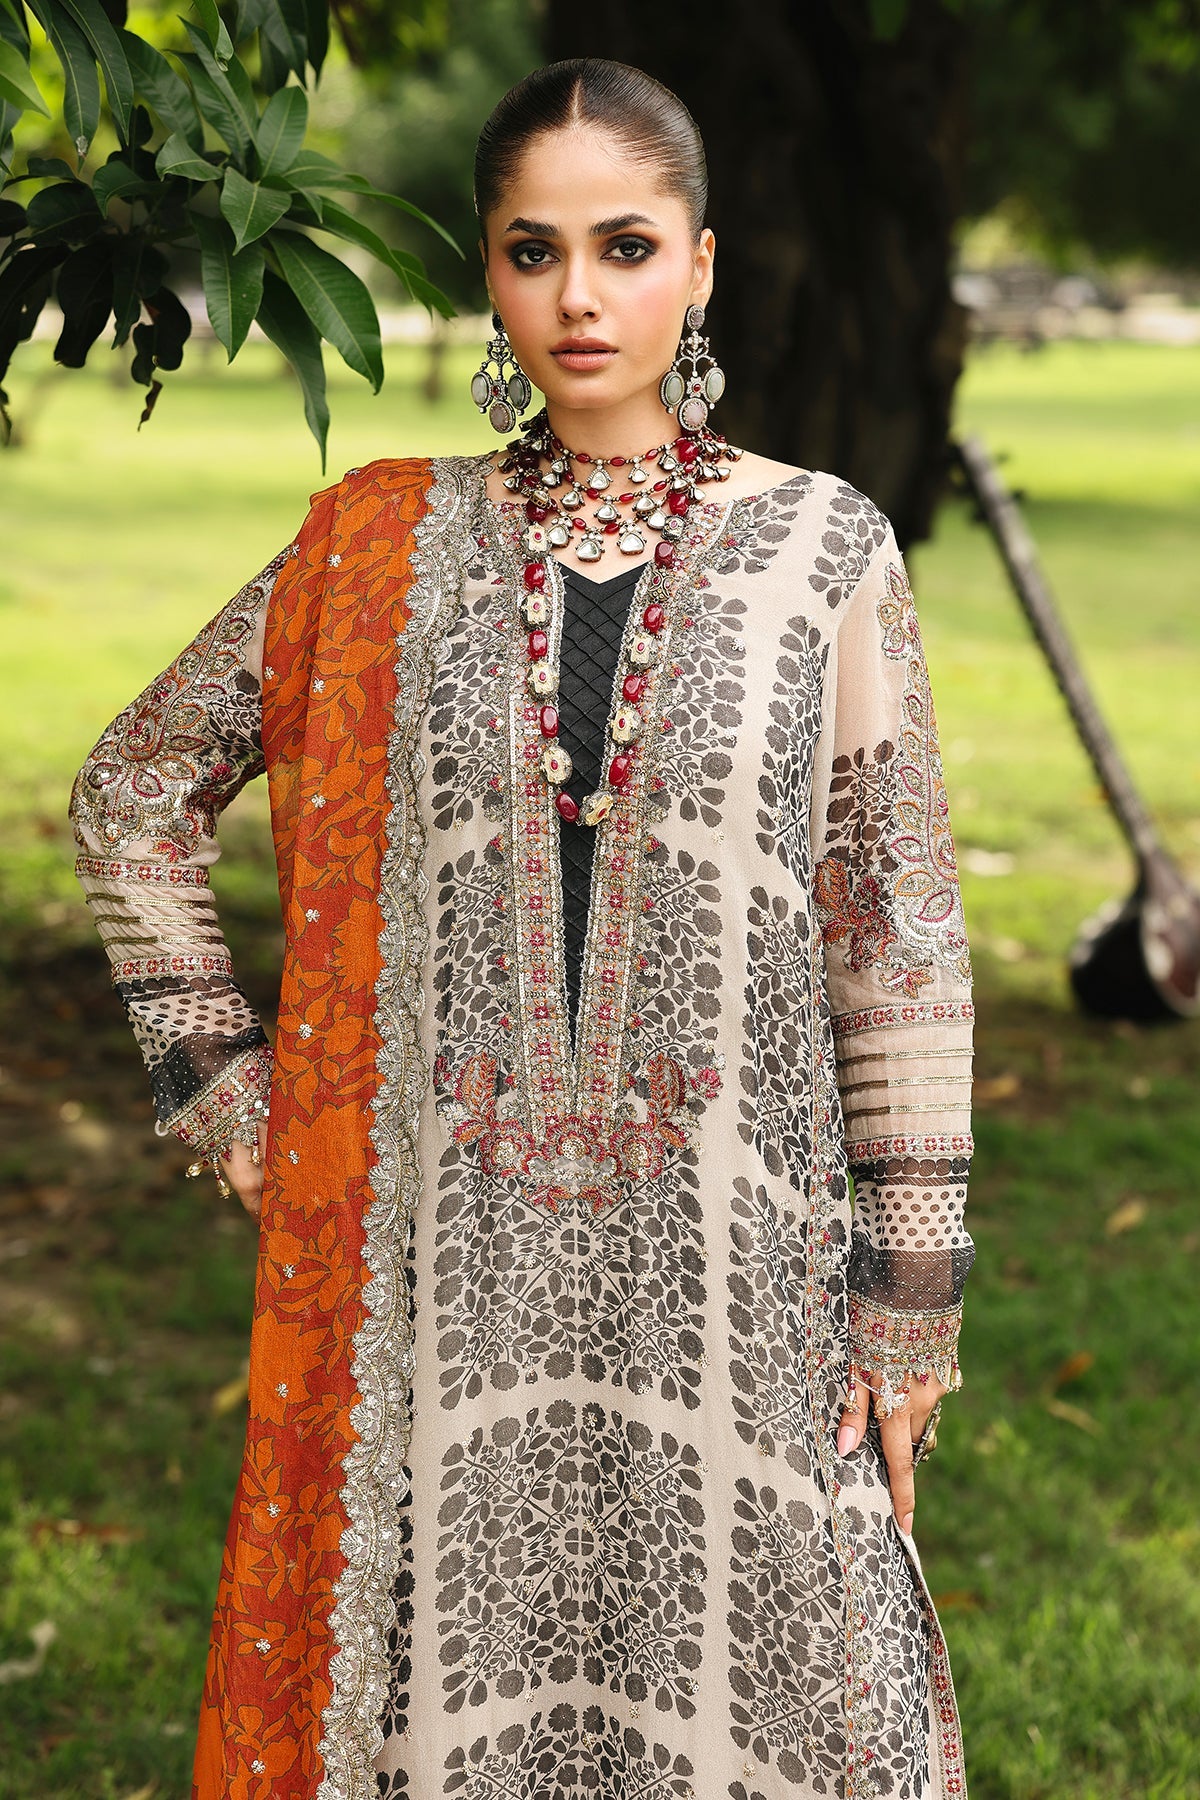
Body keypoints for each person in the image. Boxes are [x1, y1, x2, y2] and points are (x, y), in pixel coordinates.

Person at [69, 56, 976, 1800]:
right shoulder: (379, 547)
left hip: (745, 1261)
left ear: (699, 264)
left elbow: (899, 930)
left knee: (798, 1698)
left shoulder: (822, 550)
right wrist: (234, 1099)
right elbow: (134, 792)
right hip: (445, 1261)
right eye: (532, 250)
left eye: (624, 247)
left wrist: (910, 1299)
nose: (578, 297)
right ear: (487, 269)